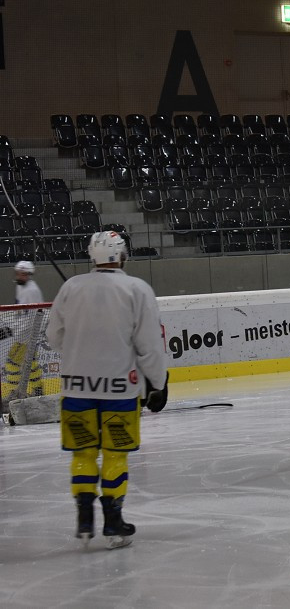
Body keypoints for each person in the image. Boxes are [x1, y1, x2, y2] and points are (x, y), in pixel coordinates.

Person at [46, 231, 169, 549]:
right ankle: (113, 522)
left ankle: (85, 519)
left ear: (92, 256)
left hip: (76, 389)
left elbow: (53, 337)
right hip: (120, 391)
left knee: (83, 454)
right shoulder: (137, 289)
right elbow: (149, 345)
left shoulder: (71, 287)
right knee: (115, 456)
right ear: (123, 256)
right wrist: (158, 382)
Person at [1, 261, 47, 405]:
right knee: (31, 363)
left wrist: (11, 330)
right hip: (25, 335)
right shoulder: (22, 287)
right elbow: (20, 314)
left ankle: (15, 393)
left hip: (26, 337)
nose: (19, 276)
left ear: (28, 274)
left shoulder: (30, 291)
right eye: (18, 273)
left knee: (12, 363)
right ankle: (38, 390)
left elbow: (29, 318)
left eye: (22, 274)